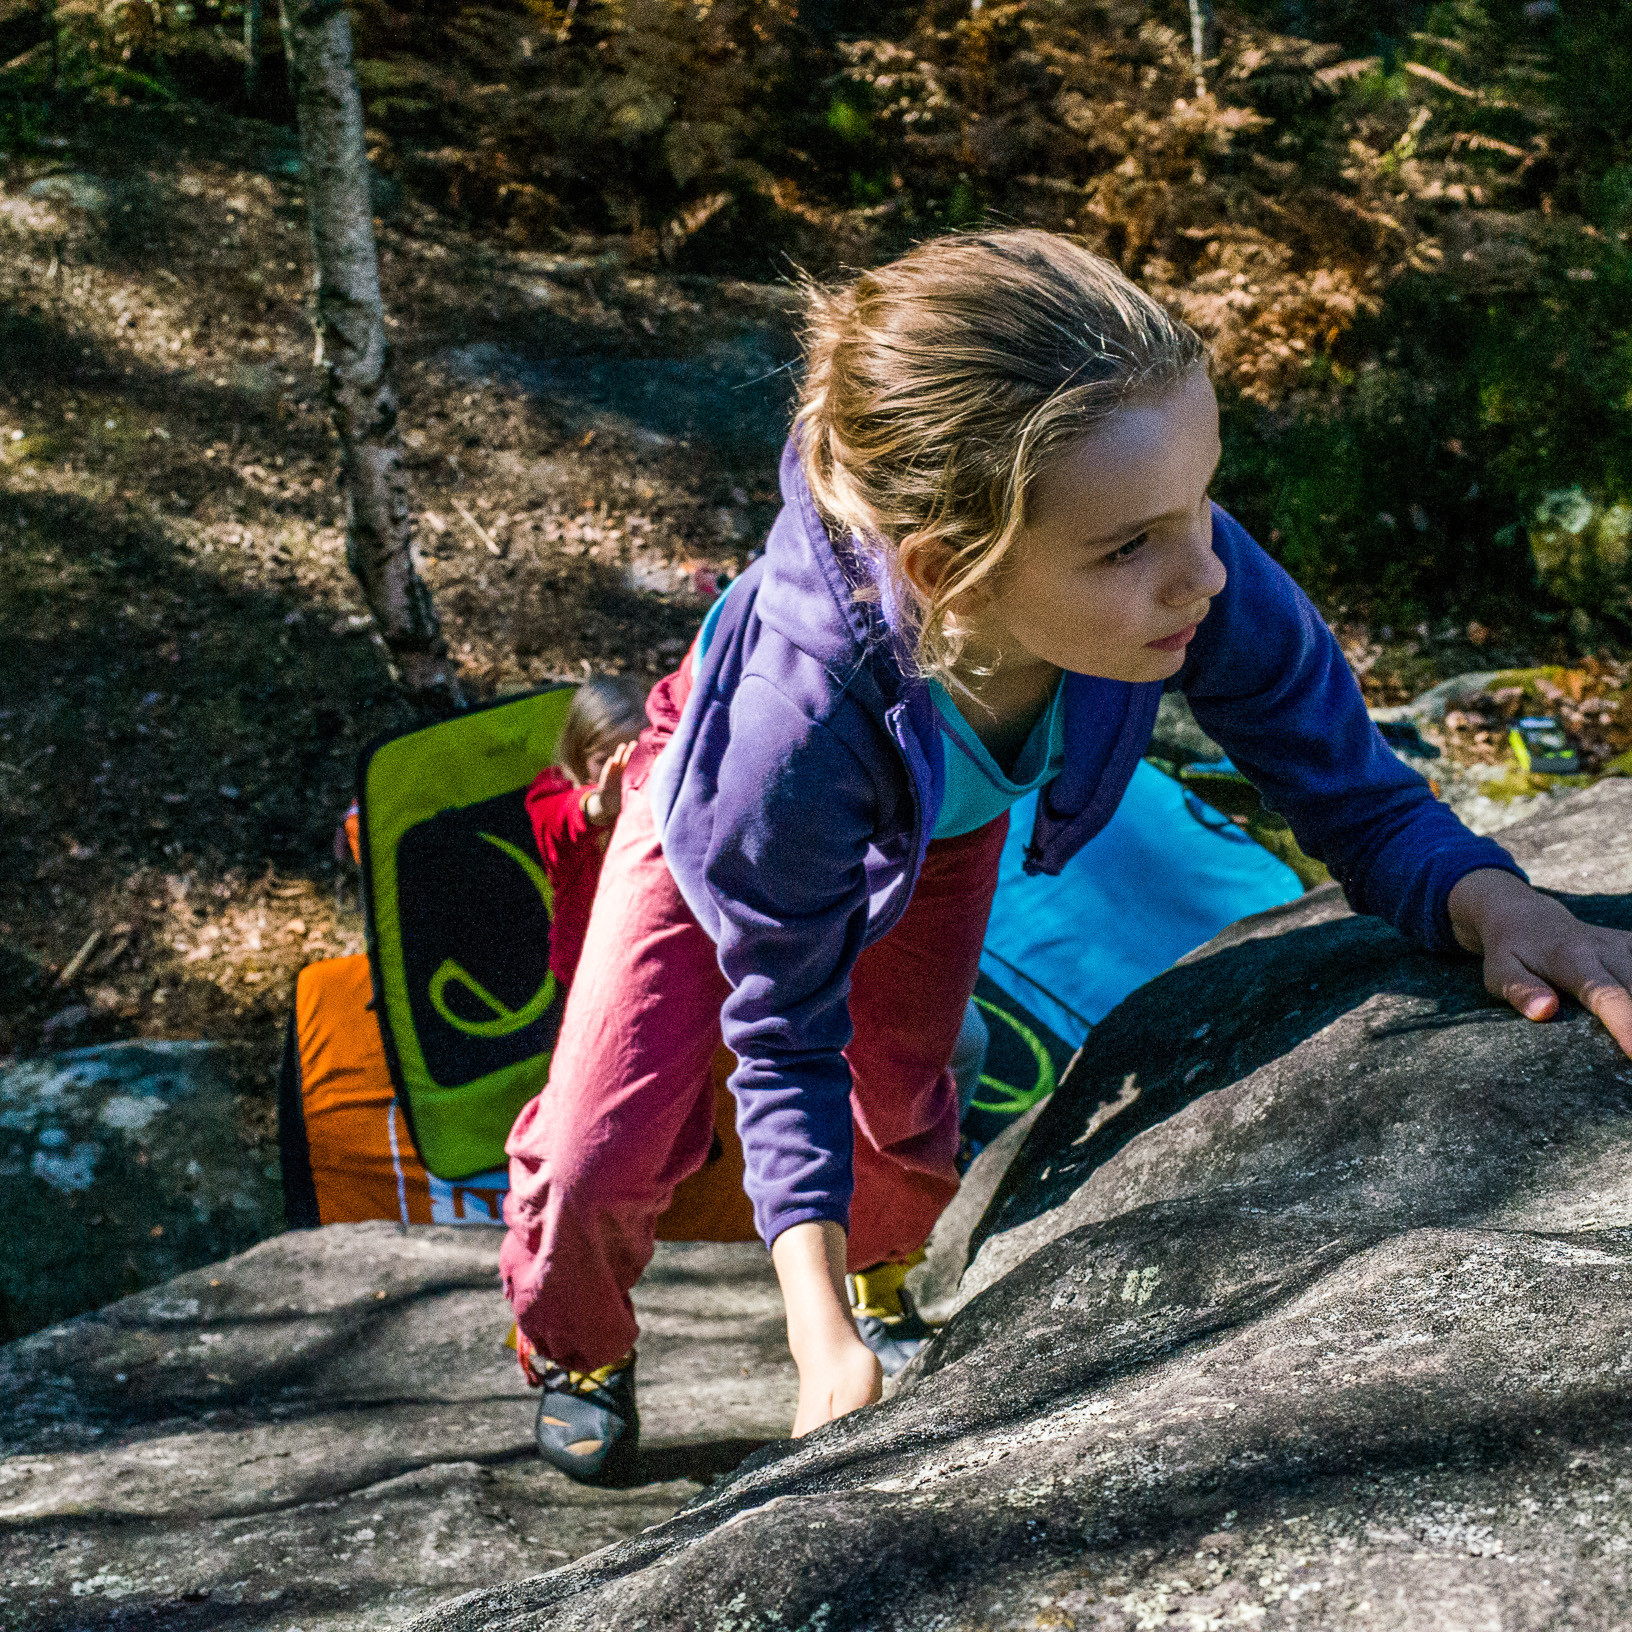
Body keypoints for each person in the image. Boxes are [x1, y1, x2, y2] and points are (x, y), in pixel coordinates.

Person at [500, 229, 1632, 1485]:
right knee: (607, 1141)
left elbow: (1349, 788)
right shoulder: (790, 730)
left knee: (910, 1093)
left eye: (1203, 499)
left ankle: (886, 1269)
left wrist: (1499, 902)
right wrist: (810, 1345)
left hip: (949, 804)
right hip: (723, 817)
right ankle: (576, 1343)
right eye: (1130, 546)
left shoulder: (1183, 565)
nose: (1206, 569)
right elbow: (781, 1031)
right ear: (947, 573)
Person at [524, 675, 646, 991]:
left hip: (645, 957)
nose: (621, 771)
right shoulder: (551, 791)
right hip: (587, 969)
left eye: (635, 755)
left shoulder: (652, 790)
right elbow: (559, 819)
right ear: (579, 754)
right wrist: (599, 806)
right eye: (605, 760)